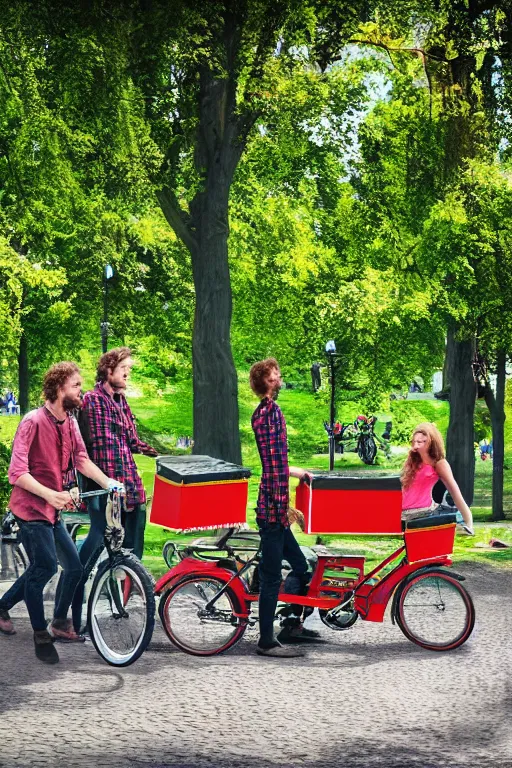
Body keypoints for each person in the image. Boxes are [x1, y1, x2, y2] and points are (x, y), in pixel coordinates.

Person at [0, 362, 123, 664]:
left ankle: (49, 619)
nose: (82, 390)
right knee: (44, 567)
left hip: (53, 508)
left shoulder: (69, 421)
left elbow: (80, 458)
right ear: (58, 388)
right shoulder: (32, 421)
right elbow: (16, 473)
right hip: (30, 509)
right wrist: (50, 495)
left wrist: (108, 482)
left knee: (74, 567)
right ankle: (41, 633)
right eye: (76, 385)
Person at [71, 347, 157, 633]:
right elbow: (93, 450)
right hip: (105, 490)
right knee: (94, 548)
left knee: (130, 551)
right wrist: (102, 485)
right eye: (124, 368)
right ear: (109, 370)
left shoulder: (121, 401)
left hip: (130, 488)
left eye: (128, 368)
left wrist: (158, 454)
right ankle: (72, 608)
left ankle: (118, 598)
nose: (128, 372)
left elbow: (132, 441)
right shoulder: (93, 401)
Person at [250, 358, 321, 659]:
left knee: (301, 565)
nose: (280, 377)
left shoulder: (261, 413)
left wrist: (299, 472)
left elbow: (275, 463)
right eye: (275, 374)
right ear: (267, 382)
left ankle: (291, 624)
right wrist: (284, 510)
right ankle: (266, 641)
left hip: (274, 503)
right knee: (271, 578)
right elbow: (275, 465)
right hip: (273, 508)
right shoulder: (272, 413)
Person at [401, 423, 474, 535]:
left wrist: (469, 522)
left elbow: (455, 493)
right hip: (400, 512)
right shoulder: (412, 461)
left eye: (420, 442)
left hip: (422, 513)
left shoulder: (439, 463)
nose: (416, 445)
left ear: (430, 441)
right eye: (414, 441)